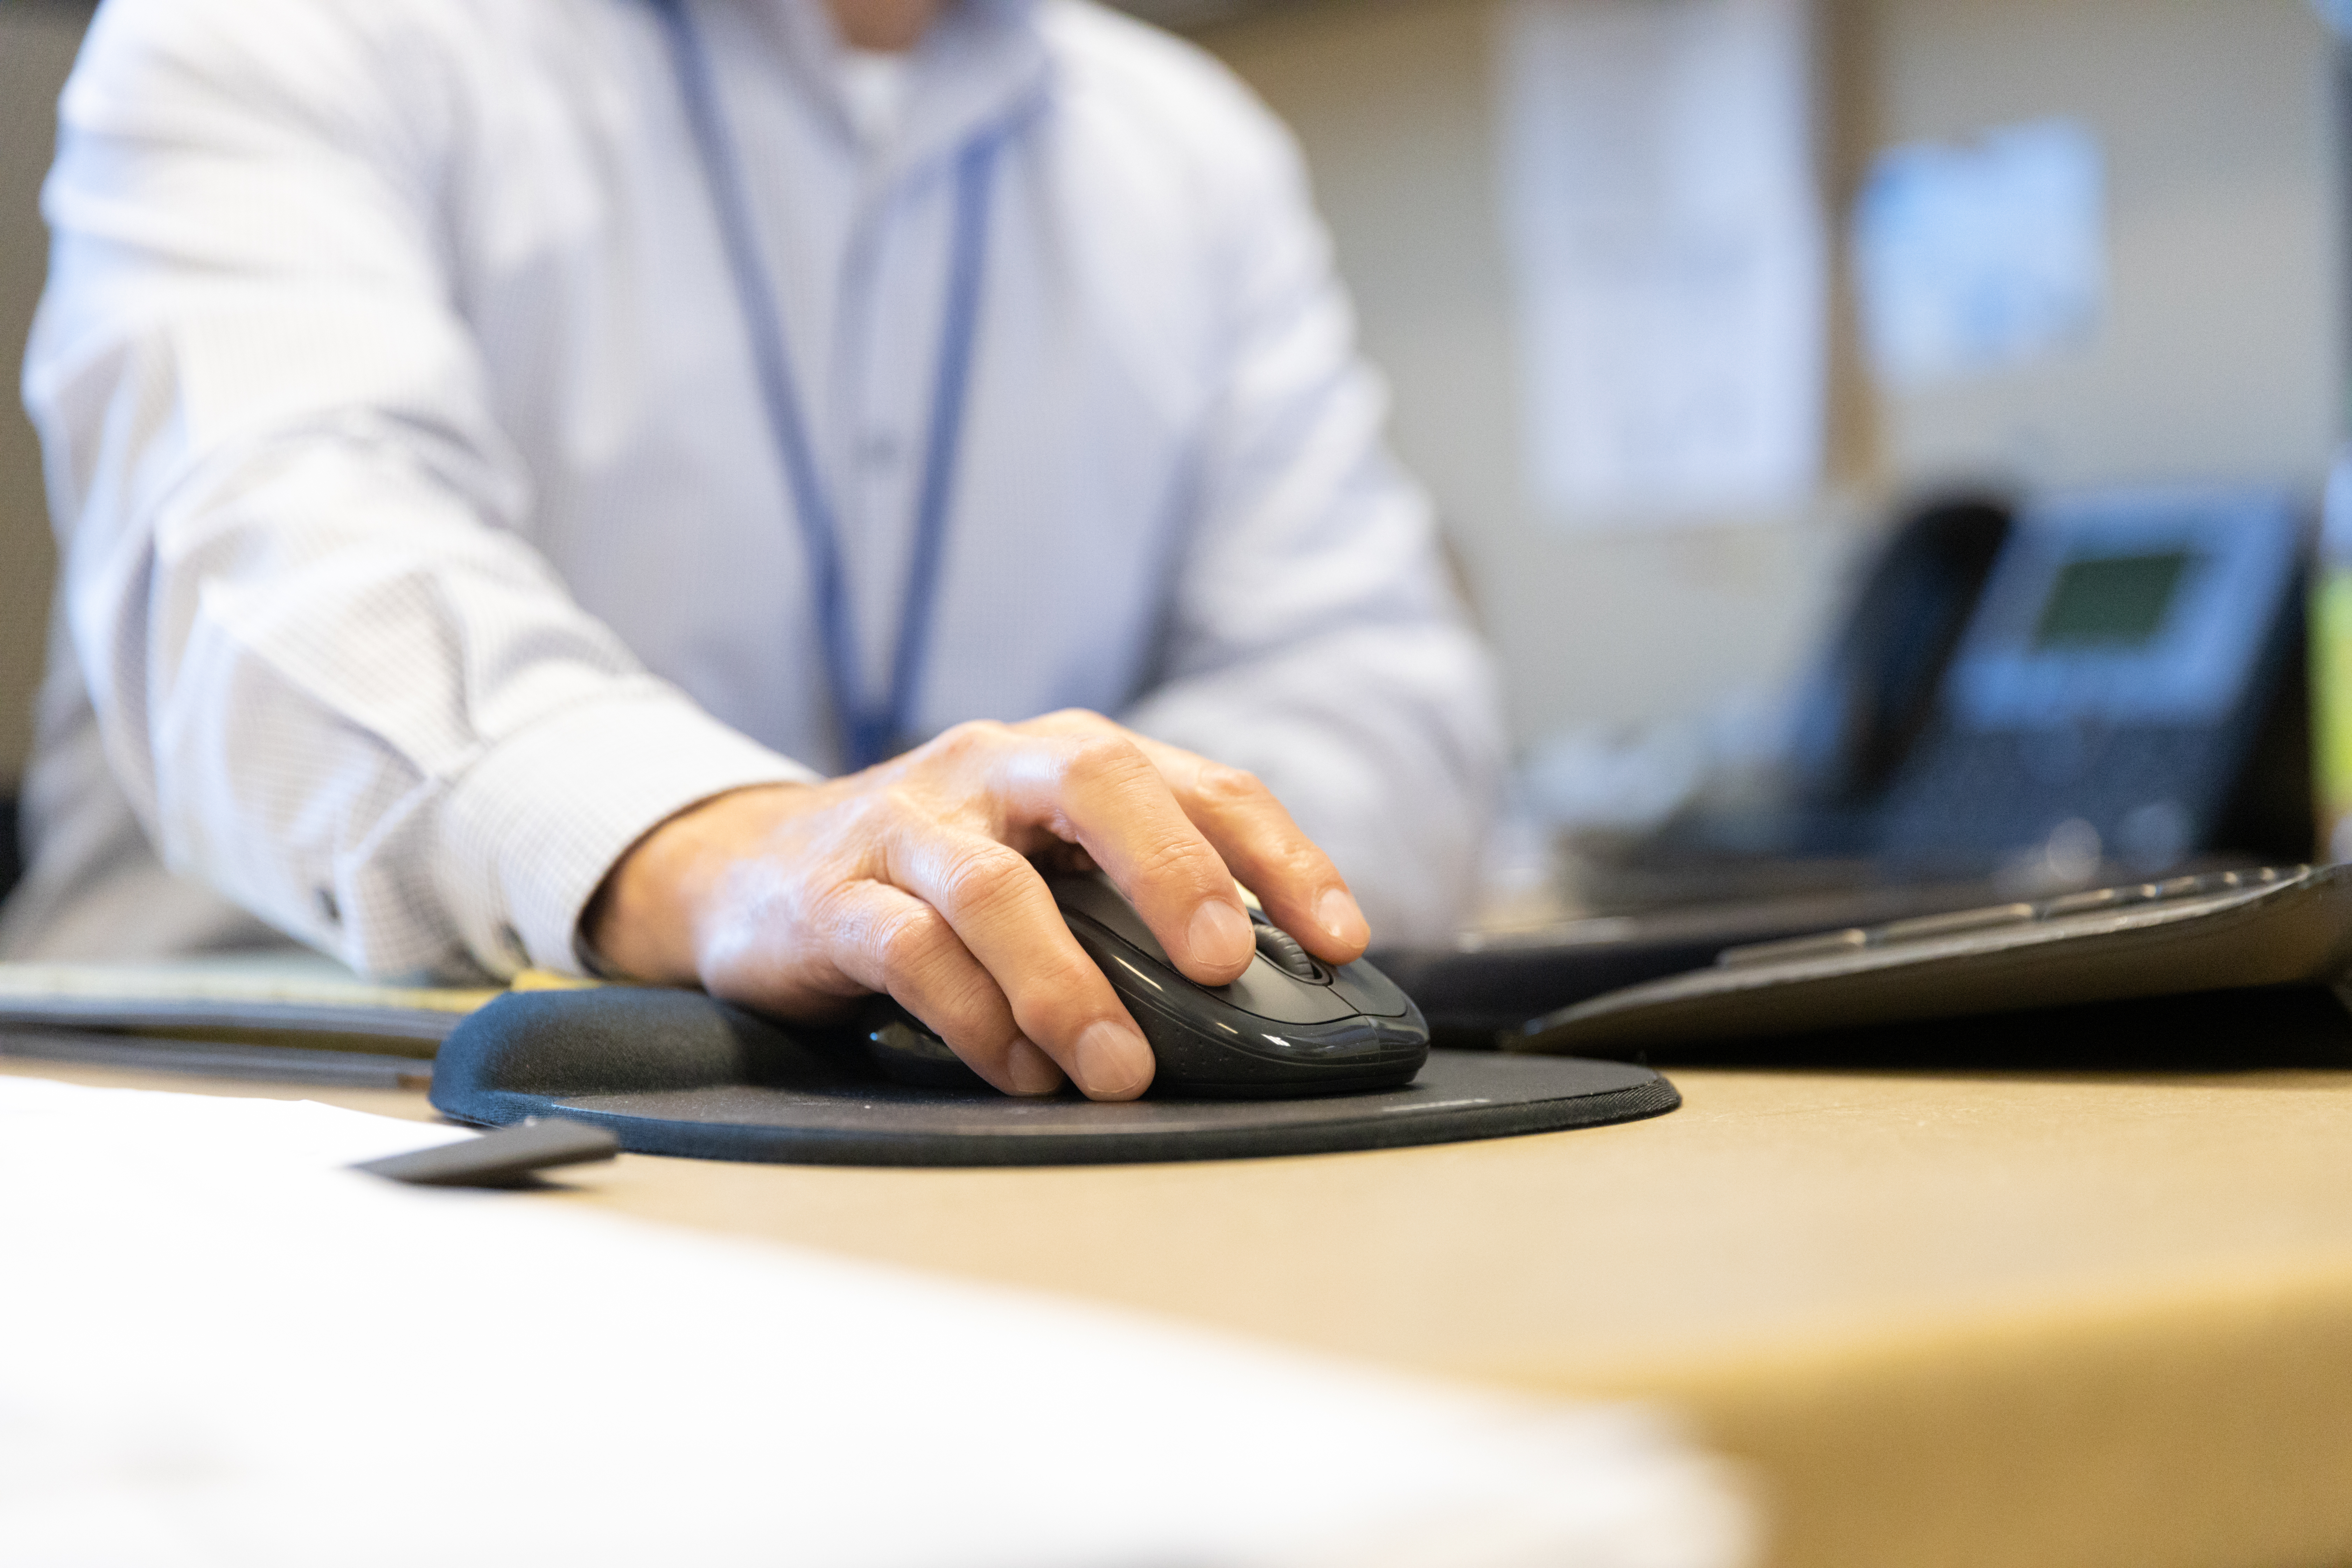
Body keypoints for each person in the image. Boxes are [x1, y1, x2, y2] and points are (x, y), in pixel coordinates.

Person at [10, 0, 1503, 1099]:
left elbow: (1377, 689)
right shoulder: (281, 38)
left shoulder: (1189, 150)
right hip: (265, 1126)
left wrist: (1088, 885)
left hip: (954, 1124)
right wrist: (736, 849)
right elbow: (282, 577)